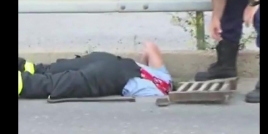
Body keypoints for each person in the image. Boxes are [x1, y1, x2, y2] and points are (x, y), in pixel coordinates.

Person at [155, 0, 260, 103]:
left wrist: (254, 2)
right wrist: (215, 18)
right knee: (230, 12)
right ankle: (226, 67)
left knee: (259, 17)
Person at [18, 42, 172, 99]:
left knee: (47, 69)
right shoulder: (157, 94)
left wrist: (144, 62)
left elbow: (150, 46)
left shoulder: (164, 77)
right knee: (56, 83)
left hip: (109, 60)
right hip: (109, 77)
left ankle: (23, 66)